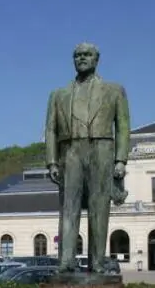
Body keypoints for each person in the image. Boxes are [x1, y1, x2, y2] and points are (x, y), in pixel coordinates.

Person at [44, 42, 131, 273]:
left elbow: (123, 126)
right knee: (68, 208)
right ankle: (66, 261)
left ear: (97, 58)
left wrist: (121, 160)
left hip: (102, 149)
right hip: (69, 151)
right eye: (77, 55)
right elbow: (50, 129)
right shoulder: (58, 95)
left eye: (87, 54)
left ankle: (98, 262)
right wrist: (52, 161)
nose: (82, 58)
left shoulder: (114, 90)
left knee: (99, 207)